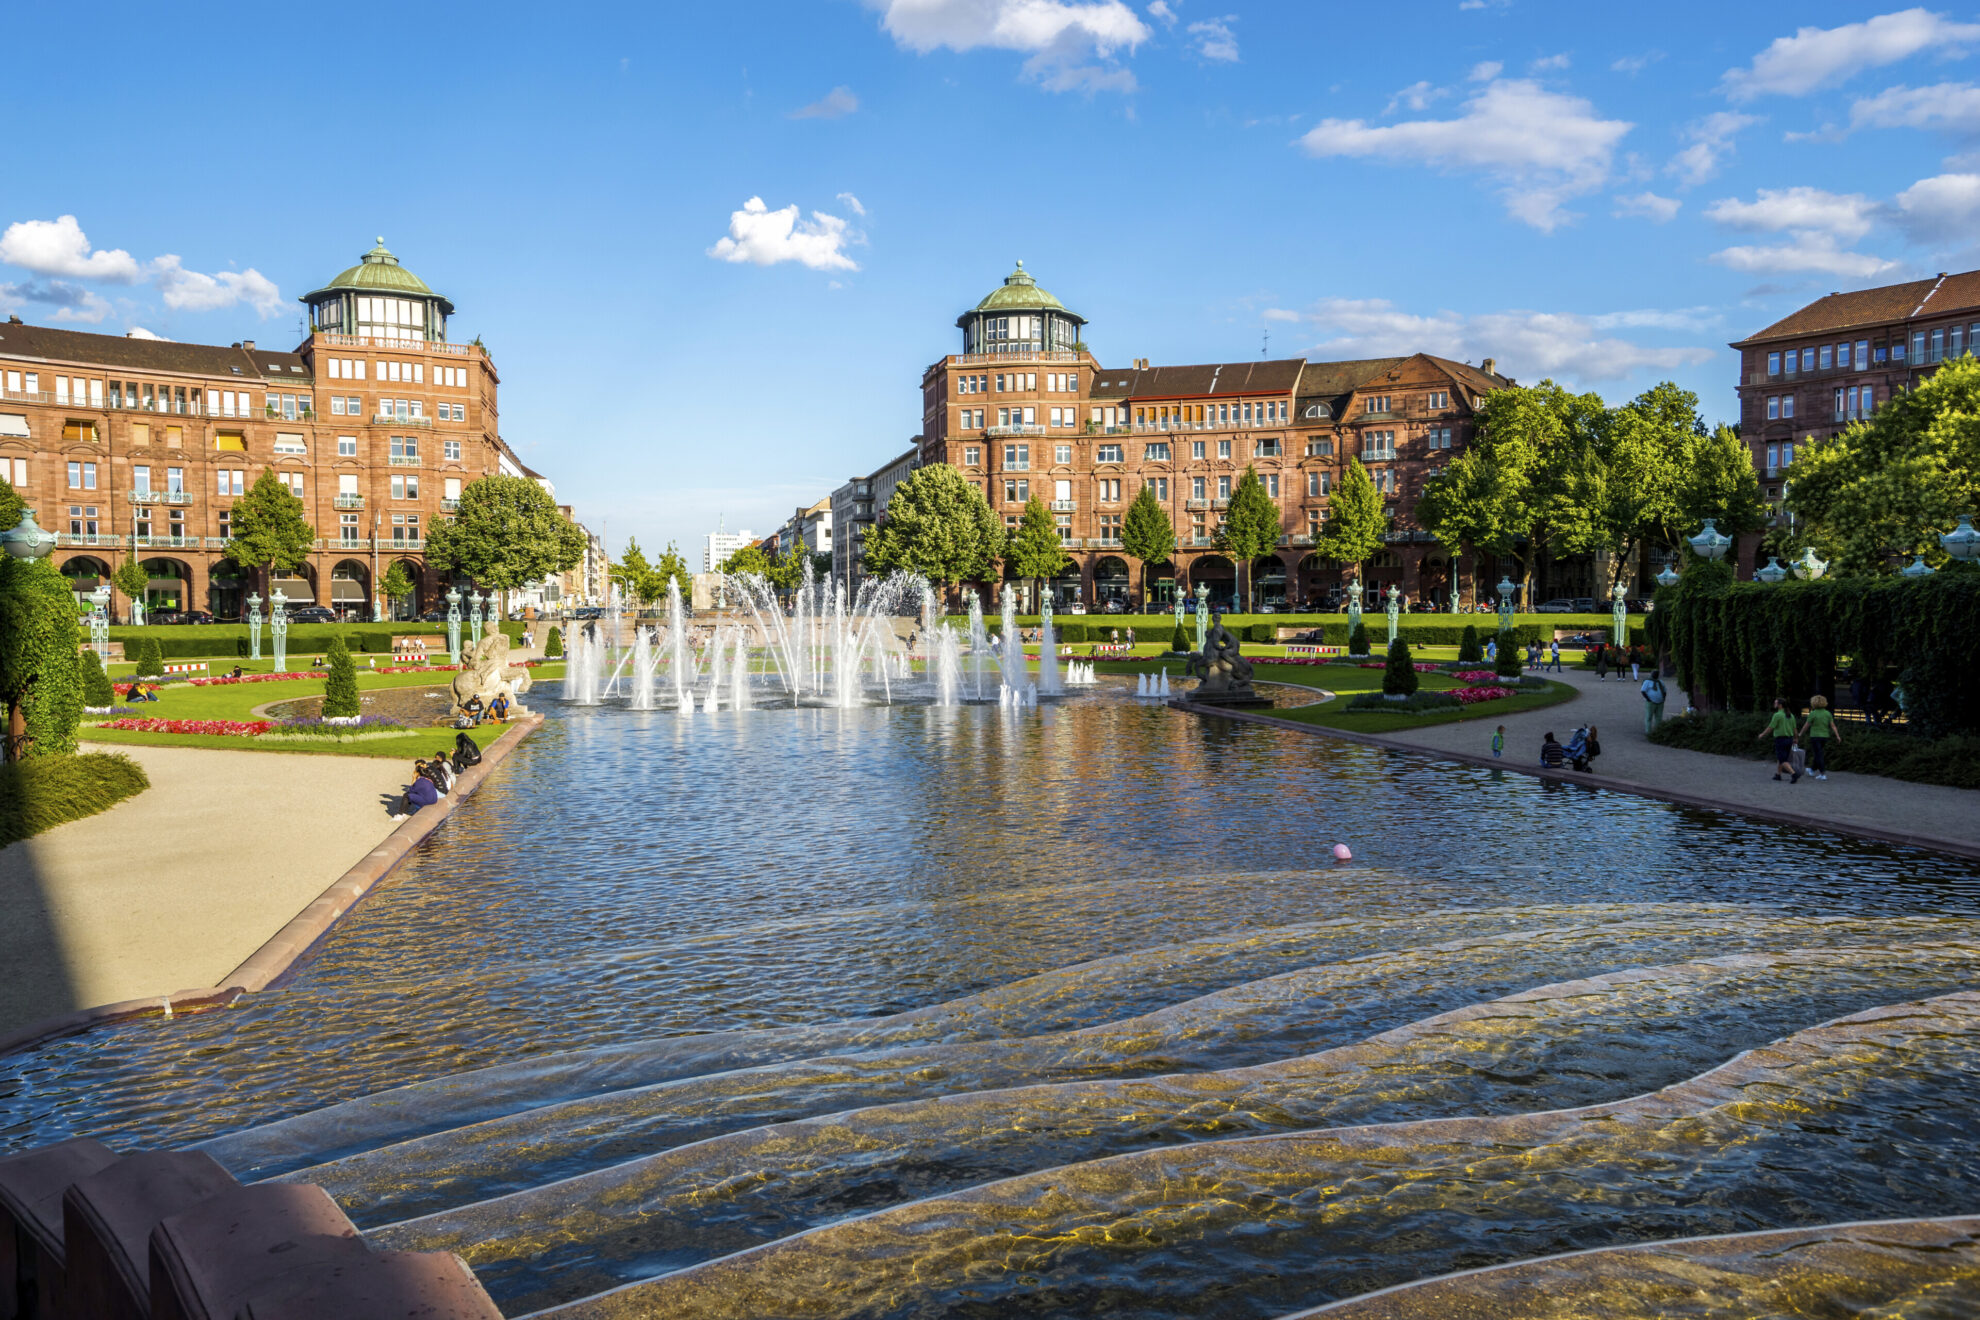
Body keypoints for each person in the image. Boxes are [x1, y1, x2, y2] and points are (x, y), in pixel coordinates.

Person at [1758, 697, 1801, 783]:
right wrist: (1796, 738)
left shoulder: (1777, 715)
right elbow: (1795, 729)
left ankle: (1793, 774)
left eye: (1776, 703)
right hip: (1789, 739)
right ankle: (1778, 774)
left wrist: (1762, 734)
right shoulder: (1791, 715)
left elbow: (1770, 727)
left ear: (1780, 705)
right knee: (1781, 758)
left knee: (1782, 759)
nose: (1774, 704)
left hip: (1780, 739)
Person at [1798, 694, 1841, 781]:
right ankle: (1812, 769)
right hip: (1825, 736)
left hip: (1815, 736)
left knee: (1818, 755)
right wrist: (1837, 735)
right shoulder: (1827, 713)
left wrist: (1800, 734)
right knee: (1818, 753)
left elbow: (1806, 725)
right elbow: (1833, 726)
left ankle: (1822, 774)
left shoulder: (1813, 714)